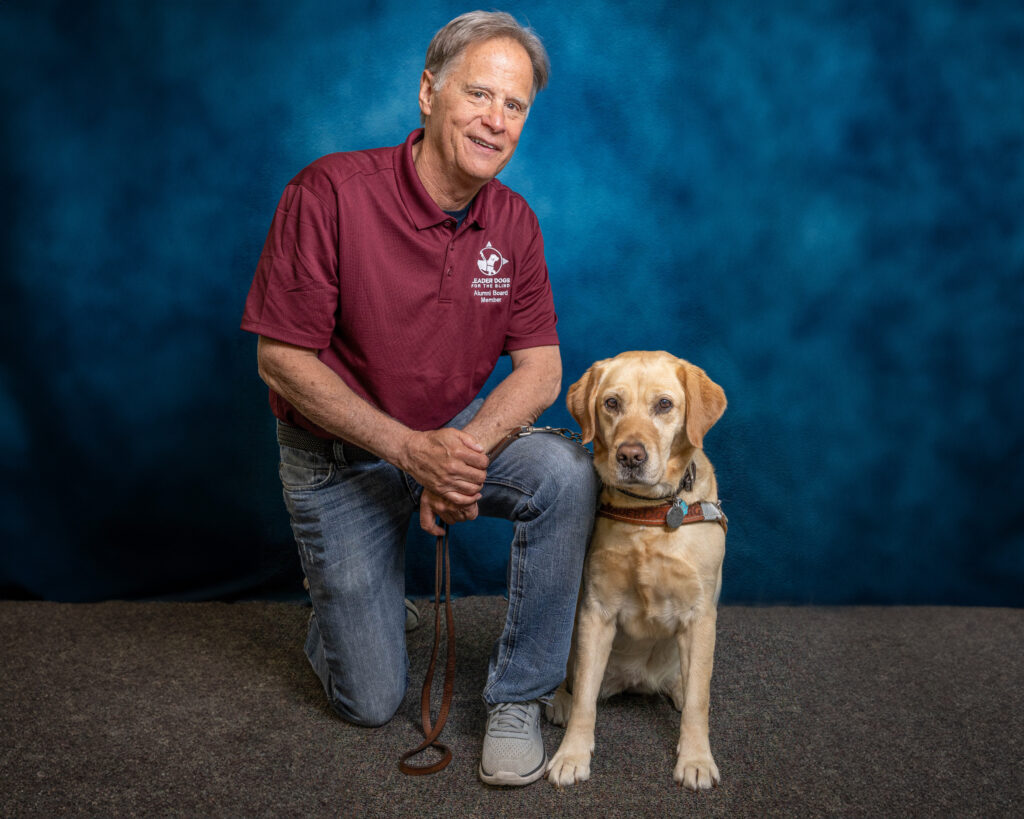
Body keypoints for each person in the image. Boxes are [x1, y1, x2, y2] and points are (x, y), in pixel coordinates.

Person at [240, 11, 597, 786]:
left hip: (452, 436)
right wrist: (410, 451)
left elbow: (541, 371)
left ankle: (521, 695)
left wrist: (459, 455)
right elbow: (280, 358)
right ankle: (341, 618)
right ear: (429, 91)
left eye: (515, 106)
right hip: (342, 461)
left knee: (567, 472)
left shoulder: (515, 221)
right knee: (370, 700)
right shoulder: (328, 192)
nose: (495, 120)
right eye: (479, 94)